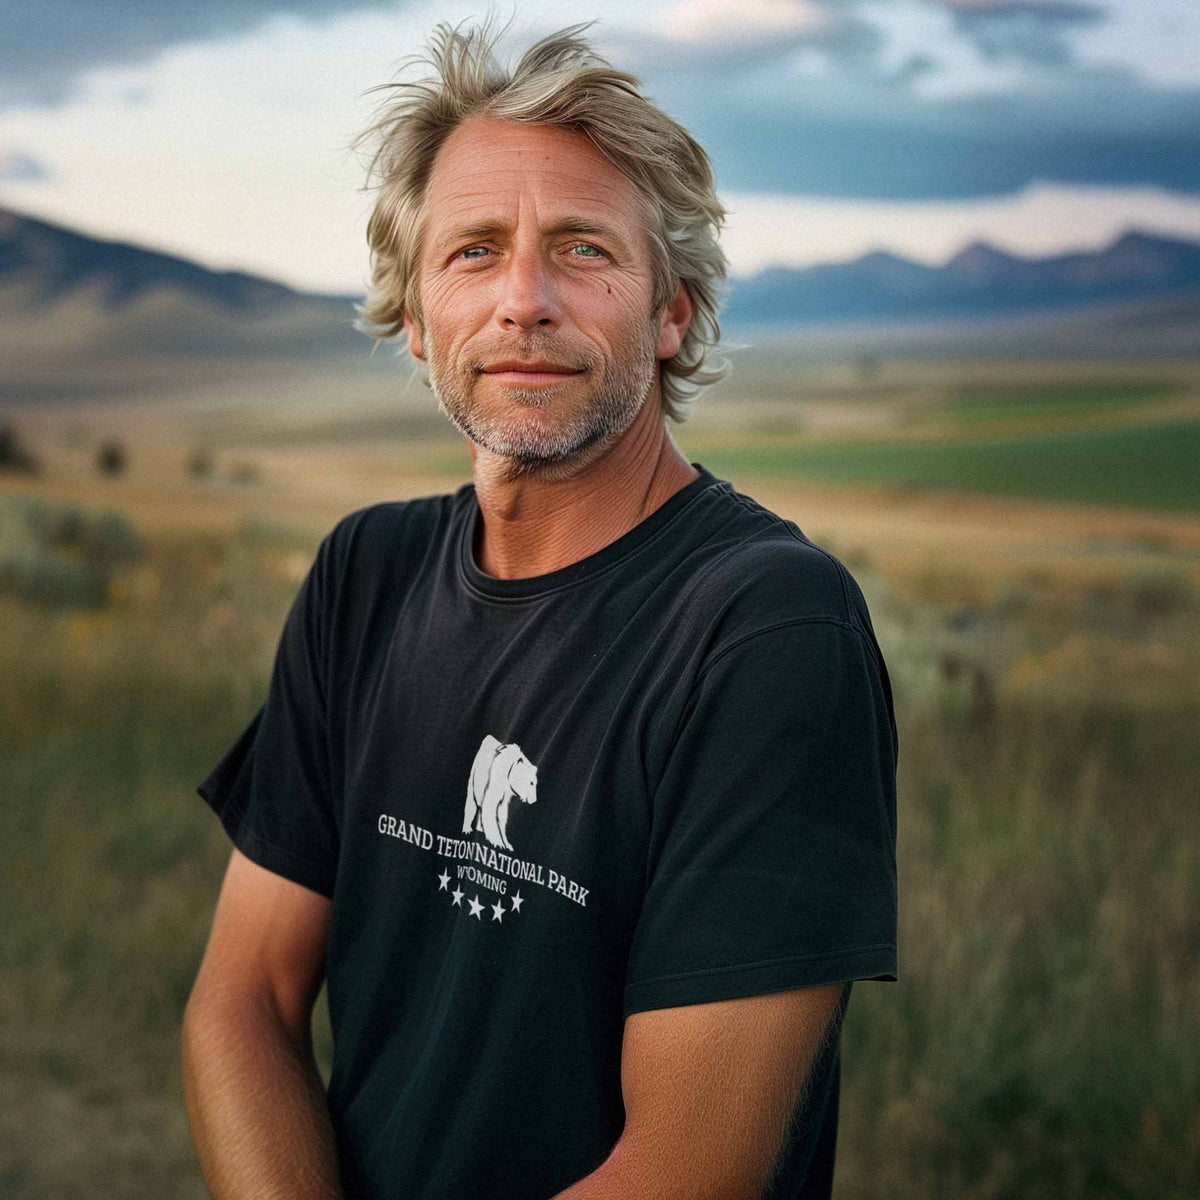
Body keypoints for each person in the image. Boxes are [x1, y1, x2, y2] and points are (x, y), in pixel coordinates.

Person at [181, 20, 898, 1200]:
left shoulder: (768, 630)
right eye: (473, 252)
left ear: (670, 315)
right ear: (415, 319)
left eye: (580, 249)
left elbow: (685, 1171)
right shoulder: (366, 574)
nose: (524, 299)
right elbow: (243, 999)